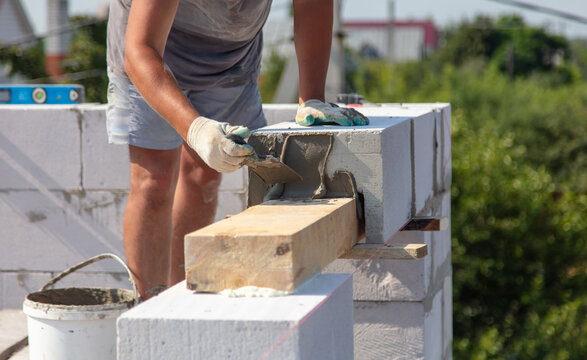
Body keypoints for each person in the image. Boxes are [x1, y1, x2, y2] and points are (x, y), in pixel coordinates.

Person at [106, 0, 369, 300]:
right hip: (152, 53)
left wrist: (311, 98)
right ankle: (149, 310)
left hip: (229, 56)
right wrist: (196, 129)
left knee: (205, 176)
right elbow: (141, 50)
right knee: (154, 181)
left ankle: (181, 299)